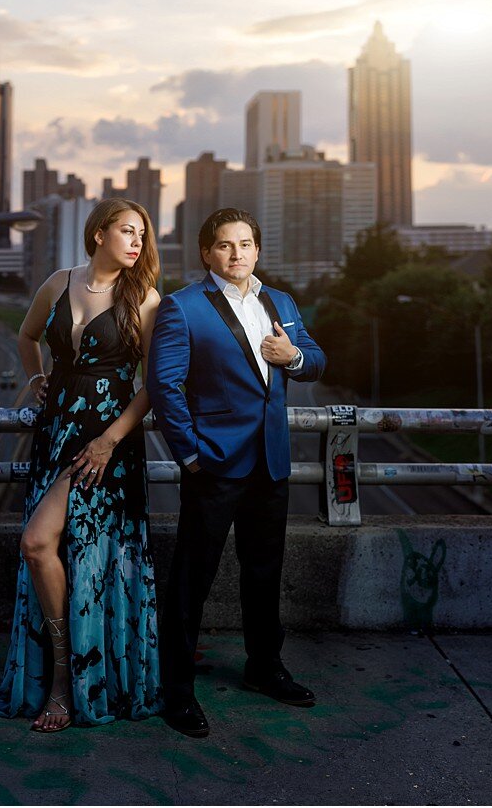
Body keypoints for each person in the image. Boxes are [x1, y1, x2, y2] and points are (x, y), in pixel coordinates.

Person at [147, 207, 326, 739]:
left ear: (257, 250)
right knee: (191, 579)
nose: (237, 254)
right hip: (214, 465)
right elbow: (164, 387)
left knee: (264, 572)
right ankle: (177, 689)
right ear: (206, 252)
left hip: (270, 462)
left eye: (246, 244)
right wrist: (190, 455)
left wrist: (291, 355)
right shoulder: (183, 307)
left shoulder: (282, 302)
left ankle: (264, 667)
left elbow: (316, 359)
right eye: (225, 245)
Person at [0, 197, 163, 732]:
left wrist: (109, 441)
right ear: (97, 234)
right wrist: (35, 376)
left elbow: (152, 385)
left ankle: (65, 686)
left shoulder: (146, 298)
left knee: (41, 542)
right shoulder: (58, 283)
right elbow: (26, 335)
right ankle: (65, 679)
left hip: (104, 441)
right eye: (127, 231)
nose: (137, 242)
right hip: (56, 430)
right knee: (62, 552)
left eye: (142, 234)